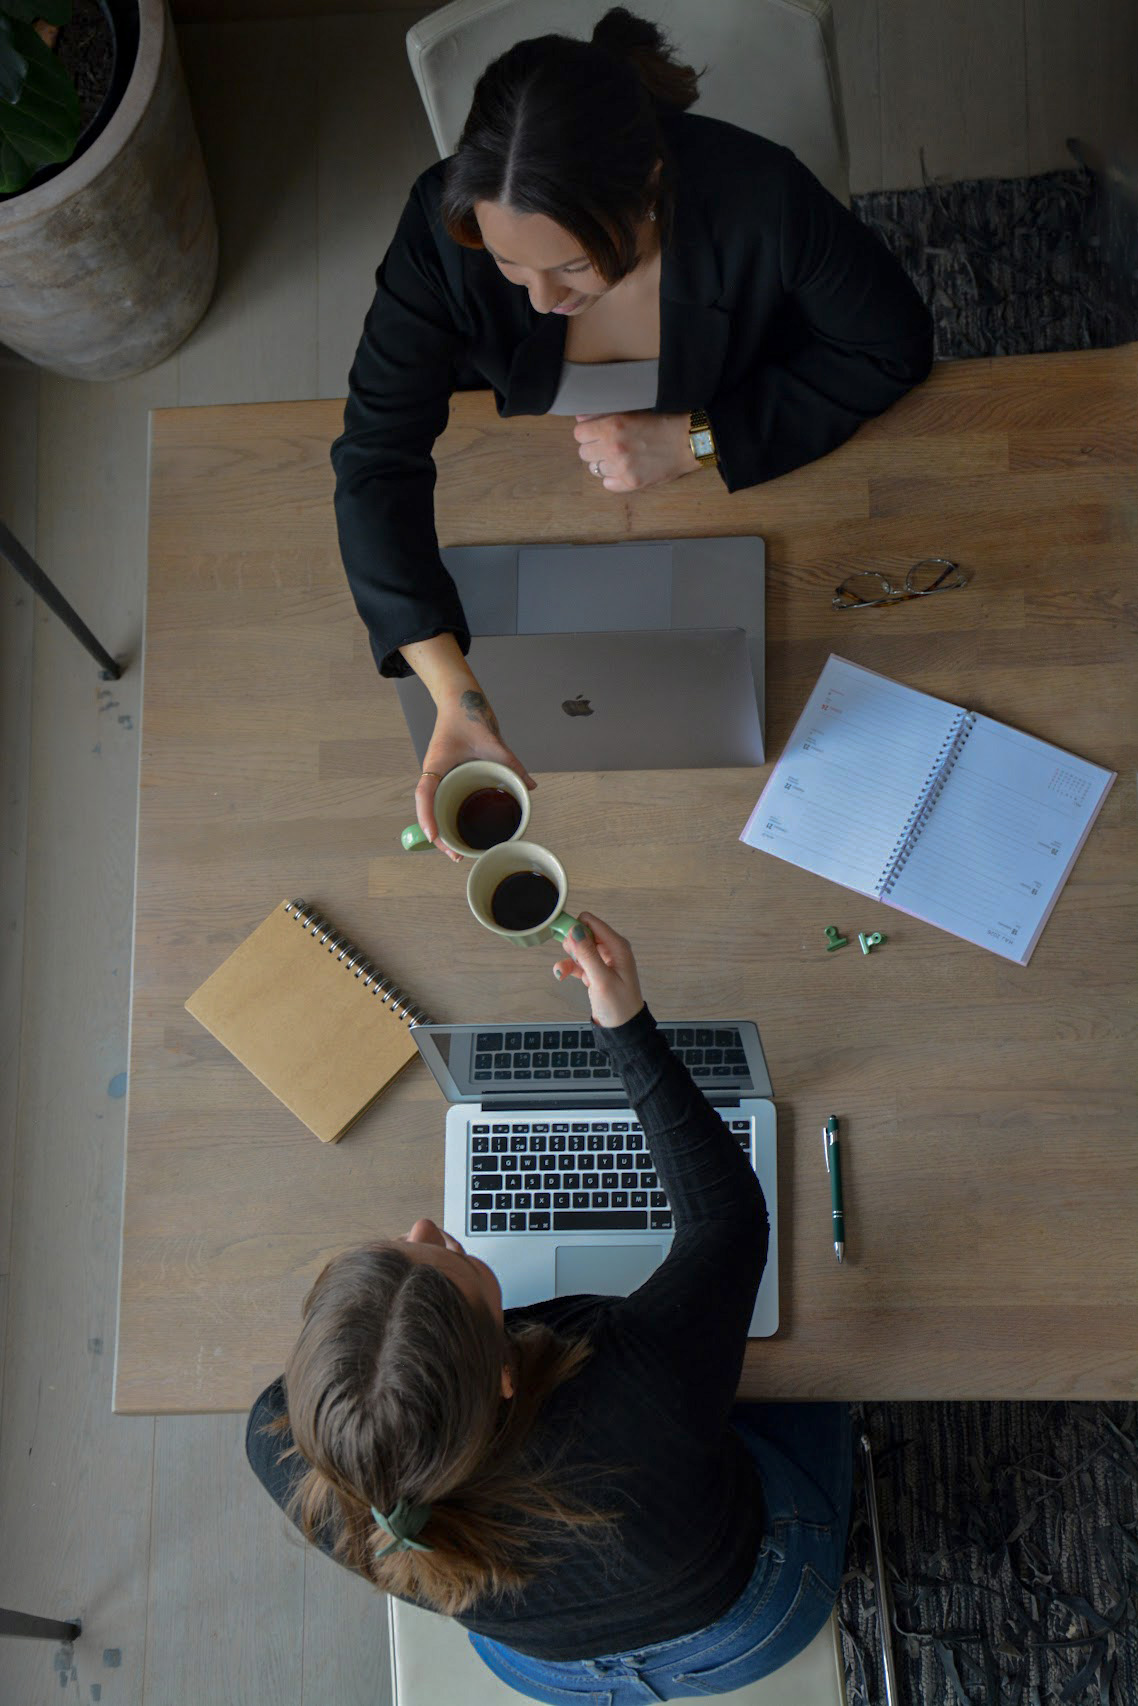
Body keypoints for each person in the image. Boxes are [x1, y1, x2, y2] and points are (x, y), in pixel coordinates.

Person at [331, 8, 934, 858]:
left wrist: (698, 440)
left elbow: (893, 347)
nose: (540, 299)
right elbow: (375, 456)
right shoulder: (439, 224)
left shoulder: (762, 198)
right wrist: (456, 694)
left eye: (573, 265)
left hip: (745, 458)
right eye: (508, 264)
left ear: (649, 188)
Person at [247, 913, 853, 1702]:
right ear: (505, 1378)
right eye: (465, 1267)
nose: (427, 1227)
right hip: (748, 1625)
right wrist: (625, 1025)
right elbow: (728, 1220)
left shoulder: (308, 1468)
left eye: (400, 1250)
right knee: (830, 1389)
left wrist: (451, 1330)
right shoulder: (634, 1386)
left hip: (543, 1673)